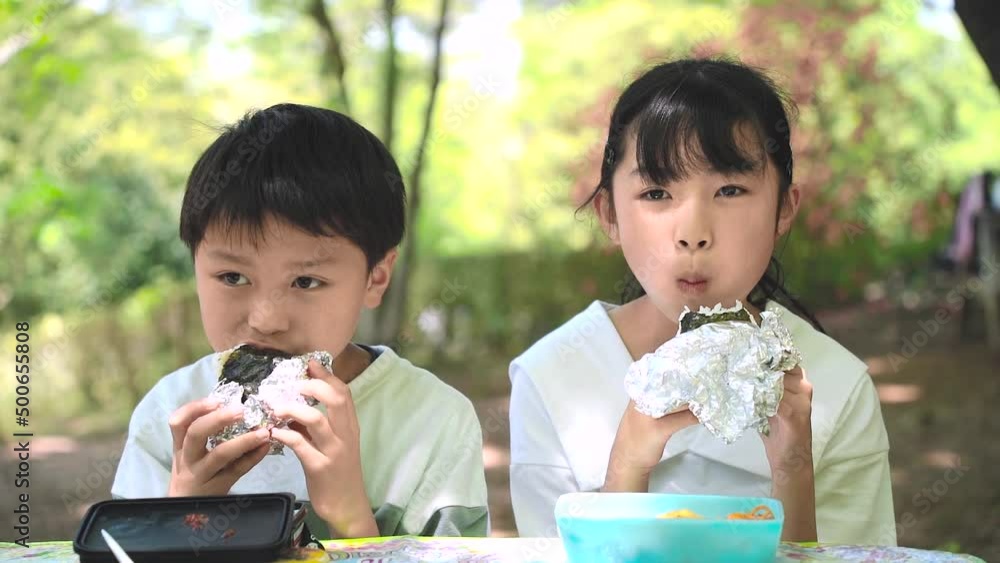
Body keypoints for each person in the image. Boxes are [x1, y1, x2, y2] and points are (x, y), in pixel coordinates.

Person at [508, 59, 895, 545]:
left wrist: (793, 468)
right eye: (656, 193)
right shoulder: (552, 378)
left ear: (784, 208)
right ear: (609, 213)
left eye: (729, 190)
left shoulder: (838, 385)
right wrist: (627, 464)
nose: (693, 233)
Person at [111, 103, 488, 539]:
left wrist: (352, 519)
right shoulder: (167, 417)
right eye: (232, 277)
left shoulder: (436, 423)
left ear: (375, 278)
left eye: (306, 281)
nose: (265, 319)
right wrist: (181, 518)